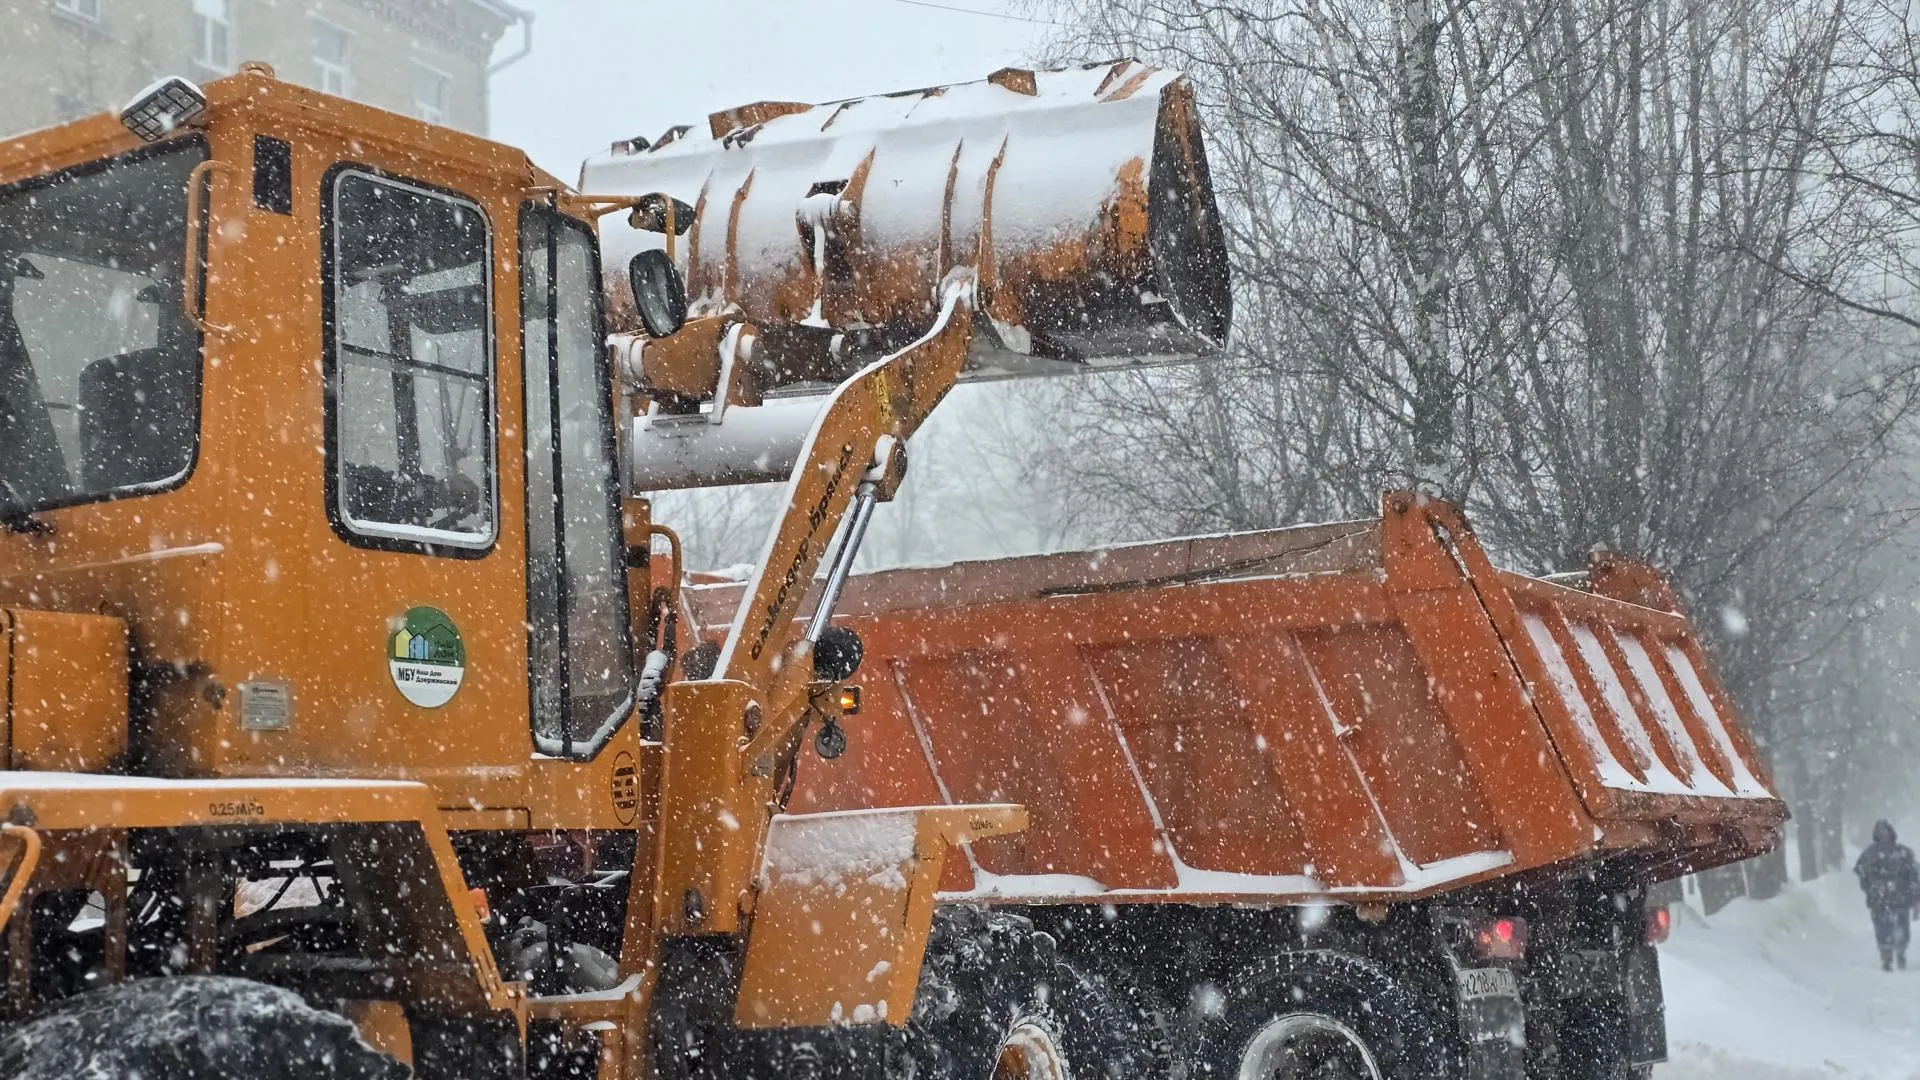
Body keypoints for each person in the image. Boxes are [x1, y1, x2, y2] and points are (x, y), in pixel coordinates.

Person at [1854, 819, 1920, 971]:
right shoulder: (1869, 854)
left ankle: (1901, 952)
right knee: (1882, 929)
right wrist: (1871, 888)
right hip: (1879, 901)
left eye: (1886, 834)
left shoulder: (1903, 853)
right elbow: (1862, 874)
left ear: (1892, 835)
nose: (1884, 838)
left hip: (1900, 900)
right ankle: (1886, 956)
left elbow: (1914, 876)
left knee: (1902, 929)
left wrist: (1916, 898)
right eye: (1880, 835)